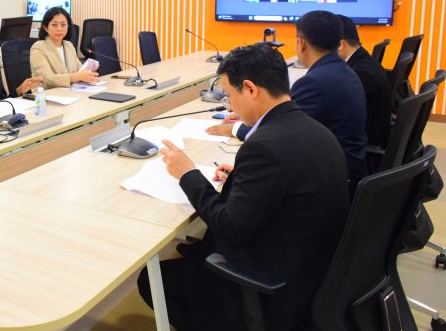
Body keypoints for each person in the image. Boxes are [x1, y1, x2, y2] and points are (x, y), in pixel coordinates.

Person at [137, 44, 349, 331]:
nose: (229, 104)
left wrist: (187, 173)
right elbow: (289, 185)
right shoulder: (316, 130)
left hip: (273, 291)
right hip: (317, 277)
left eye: (230, 95)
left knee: (151, 280)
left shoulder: (263, 146)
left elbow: (230, 228)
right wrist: (241, 179)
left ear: (250, 88)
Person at [207, 11, 367, 195]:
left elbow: (281, 131)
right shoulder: (342, 70)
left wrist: (236, 128)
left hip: (335, 183)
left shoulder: (314, 82)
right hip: (345, 172)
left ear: (301, 43)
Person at [336, 14, 392, 149]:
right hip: (371, 137)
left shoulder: (360, 75)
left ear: (341, 45)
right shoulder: (362, 61)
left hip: (364, 149)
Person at [29, 7, 100, 89]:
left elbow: (79, 70)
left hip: (70, 92)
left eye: (63, 25)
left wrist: (89, 71)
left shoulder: (69, 45)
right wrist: (77, 76)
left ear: (68, 26)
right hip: (45, 96)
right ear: (45, 27)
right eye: (54, 25)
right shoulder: (38, 47)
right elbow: (46, 78)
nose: (59, 29)